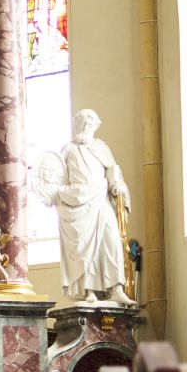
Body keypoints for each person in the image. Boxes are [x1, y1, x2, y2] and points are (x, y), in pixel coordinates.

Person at [43, 109, 131, 304]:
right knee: (85, 246)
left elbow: (112, 171)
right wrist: (52, 193)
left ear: (96, 125)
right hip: (78, 204)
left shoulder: (102, 148)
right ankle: (89, 289)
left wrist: (117, 184)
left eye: (91, 122)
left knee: (111, 241)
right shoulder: (68, 148)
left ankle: (117, 288)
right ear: (76, 124)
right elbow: (55, 173)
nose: (87, 125)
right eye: (84, 121)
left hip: (101, 199)